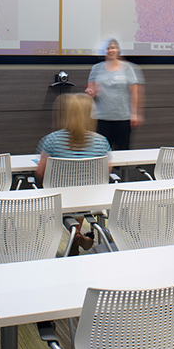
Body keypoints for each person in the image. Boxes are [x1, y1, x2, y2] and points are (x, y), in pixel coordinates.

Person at [35, 93, 111, 253]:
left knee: (63, 193)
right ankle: (75, 238)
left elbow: (41, 173)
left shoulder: (52, 140)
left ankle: (74, 238)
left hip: (58, 200)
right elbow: (106, 171)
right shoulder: (101, 142)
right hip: (90, 199)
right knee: (80, 190)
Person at [85, 38, 145, 150]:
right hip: (102, 117)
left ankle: (122, 169)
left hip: (123, 117)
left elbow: (135, 92)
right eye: (108, 48)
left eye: (113, 47)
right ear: (104, 51)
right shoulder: (96, 68)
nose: (110, 50)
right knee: (102, 150)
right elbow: (90, 90)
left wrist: (134, 114)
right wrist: (91, 92)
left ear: (118, 50)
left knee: (123, 149)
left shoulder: (127, 68)